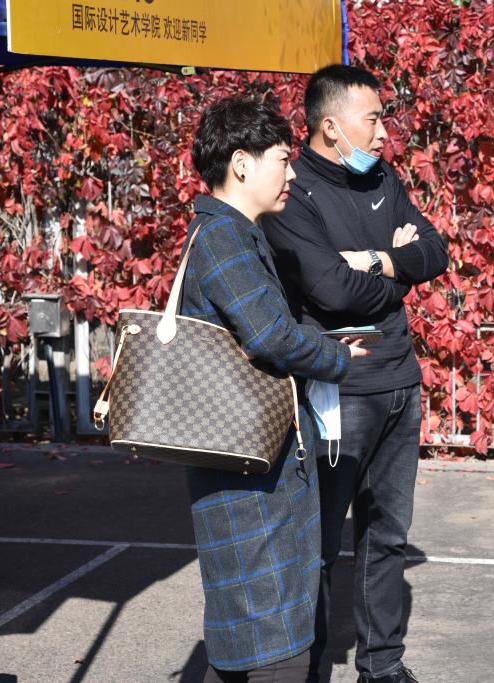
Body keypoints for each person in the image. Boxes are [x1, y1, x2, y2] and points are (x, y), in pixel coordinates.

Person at [260, 64, 448, 683]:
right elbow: (331, 291)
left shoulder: (384, 178)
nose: (384, 132)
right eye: (373, 119)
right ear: (331, 127)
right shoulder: (293, 194)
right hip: (336, 390)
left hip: (400, 382)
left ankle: (382, 665)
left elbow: (435, 252)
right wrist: (398, 269)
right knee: (318, 543)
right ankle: (308, 667)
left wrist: (374, 260)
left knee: (387, 535)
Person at [180, 96, 367, 683]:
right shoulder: (223, 237)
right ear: (242, 163)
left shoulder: (231, 231)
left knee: (249, 634)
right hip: (249, 469)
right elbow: (269, 335)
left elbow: (264, 331)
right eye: (283, 160)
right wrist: (336, 357)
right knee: (270, 639)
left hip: (245, 460)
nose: (292, 174)